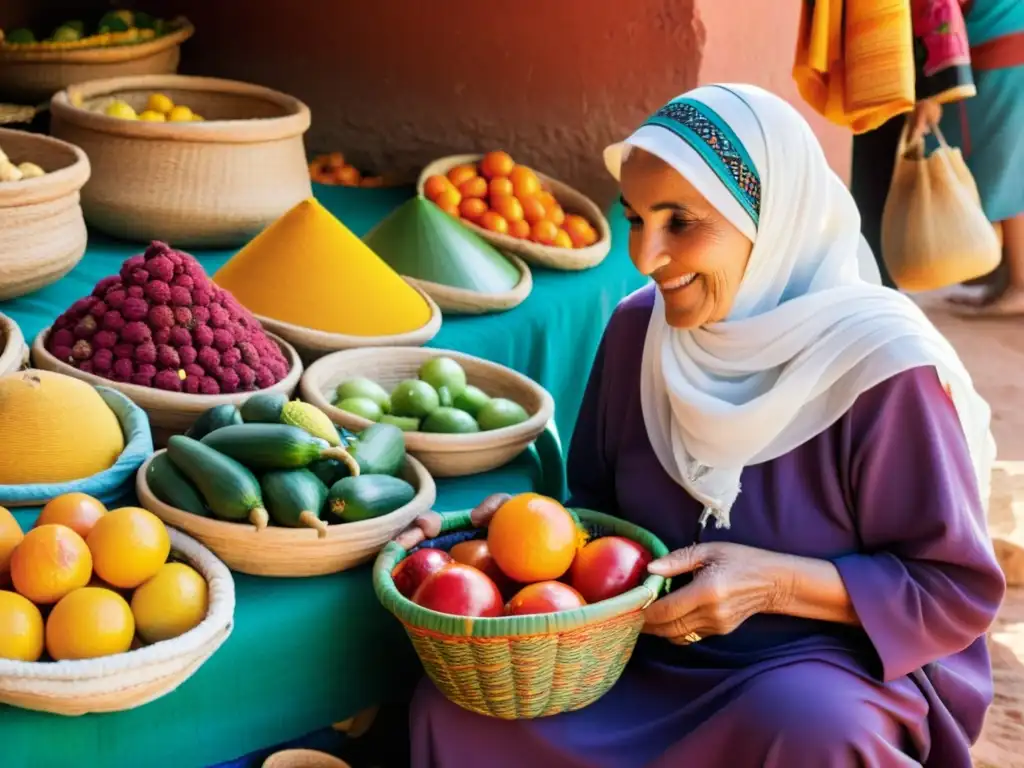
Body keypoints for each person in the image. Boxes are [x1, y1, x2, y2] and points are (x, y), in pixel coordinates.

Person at [400, 84, 1006, 767]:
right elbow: (598, 523)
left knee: (813, 730)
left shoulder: (882, 369)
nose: (645, 255)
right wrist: (500, 531)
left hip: (814, 663)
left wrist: (773, 583)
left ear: (772, 221)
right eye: (634, 218)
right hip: (636, 652)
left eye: (680, 222)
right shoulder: (639, 329)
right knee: (457, 712)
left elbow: (952, 591)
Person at [907, 0, 1024, 314]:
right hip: (1004, 41)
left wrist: (931, 93)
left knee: (1004, 170)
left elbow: (938, 10)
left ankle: (1021, 284)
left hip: (1004, 48)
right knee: (1002, 163)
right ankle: (1005, 278)